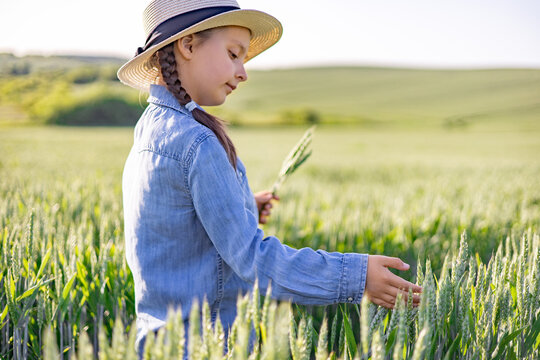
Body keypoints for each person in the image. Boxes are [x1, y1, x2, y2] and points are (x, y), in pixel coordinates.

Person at [117, 0, 422, 356]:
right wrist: (356, 276)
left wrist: (241, 203)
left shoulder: (151, 129)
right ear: (187, 46)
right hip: (207, 347)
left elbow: (172, 225)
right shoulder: (197, 141)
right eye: (234, 54)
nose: (243, 72)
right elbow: (254, 261)